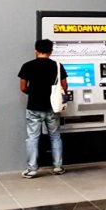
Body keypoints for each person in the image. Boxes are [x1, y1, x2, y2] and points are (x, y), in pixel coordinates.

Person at [18, 39, 68, 178]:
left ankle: (32, 169)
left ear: (36, 50)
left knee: (32, 138)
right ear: (51, 51)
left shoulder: (27, 66)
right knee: (55, 136)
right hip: (52, 107)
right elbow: (64, 86)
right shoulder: (57, 66)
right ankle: (58, 167)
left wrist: (33, 93)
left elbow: (22, 87)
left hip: (33, 107)